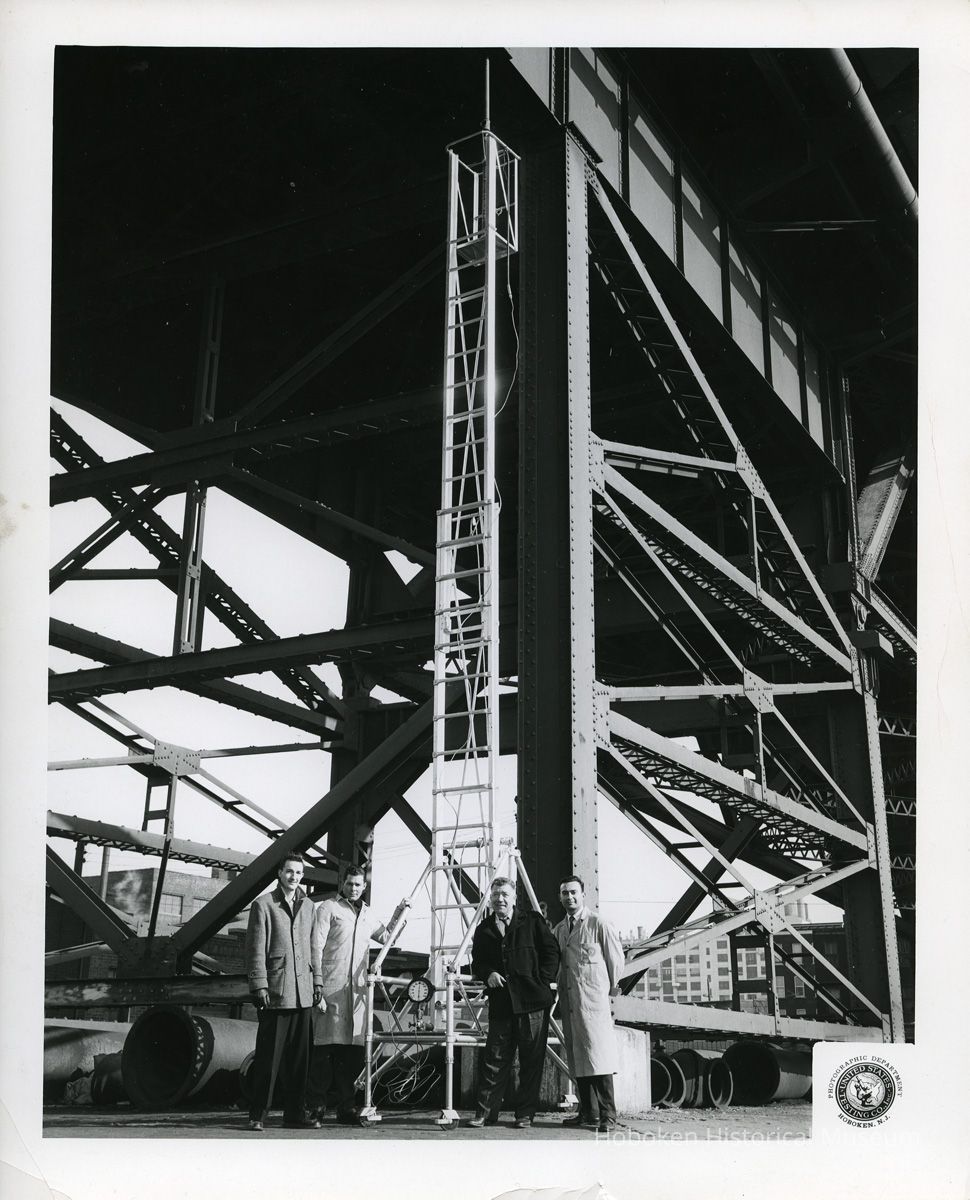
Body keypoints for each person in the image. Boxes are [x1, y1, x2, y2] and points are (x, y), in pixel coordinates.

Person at [308, 864, 404, 1124]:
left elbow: (388, 938)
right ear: (343, 883)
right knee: (323, 1050)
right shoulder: (328, 908)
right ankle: (316, 1107)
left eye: (358, 884)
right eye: (349, 883)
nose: (353, 888)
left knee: (350, 1055)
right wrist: (317, 984)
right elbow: (315, 947)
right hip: (331, 989)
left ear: (364, 887)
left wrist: (398, 915)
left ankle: (346, 1108)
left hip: (357, 993)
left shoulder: (367, 915)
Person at [467, 876, 560, 1129]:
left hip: (532, 1003)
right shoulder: (484, 928)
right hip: (502, 1005)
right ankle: (484, 1113)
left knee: (531, 1061)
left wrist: (543, 981)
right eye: (496, 895)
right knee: (494, 1059)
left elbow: (551, 952)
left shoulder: (532, 921)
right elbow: (478, 961)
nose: (500, 899)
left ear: (514, 897)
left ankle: (524, 1115)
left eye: (505, 895)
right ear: (491, 898)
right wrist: (488, 974)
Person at [244, 852, 322, 1131]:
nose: (294, 877)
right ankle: (258, 1115)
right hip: (276, 991)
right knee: (269, 1059)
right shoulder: (263, 905)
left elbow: (315, 948)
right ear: (279, 873)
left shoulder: (309, 906)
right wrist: (259, 985)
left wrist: (318, 982)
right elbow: (255, 949)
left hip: (303, 993)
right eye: (289, 871)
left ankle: (295, 1114)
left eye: (299, 873)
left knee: (300, 1061)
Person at [553, 875, 625, 1133]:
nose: (569, 898)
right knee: (578, 1058)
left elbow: (616, 961)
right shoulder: (560, 929)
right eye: (564, 893)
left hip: (594, 1001)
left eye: (573, 892)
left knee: (599, 1057)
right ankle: (588, 1112)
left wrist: (610, 991)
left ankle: (609, 1114)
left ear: (583, 894)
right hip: (570, 1001)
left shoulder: (598, 923)